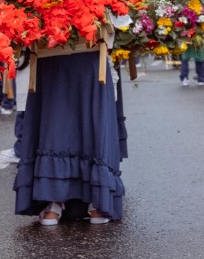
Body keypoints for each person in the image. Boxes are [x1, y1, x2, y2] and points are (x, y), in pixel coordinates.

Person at [15, 47, 124, 224]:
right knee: (91, 121)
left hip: (51, 53)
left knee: (54, 122)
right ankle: (96, 204)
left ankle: (53, 203)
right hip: (90, 54)